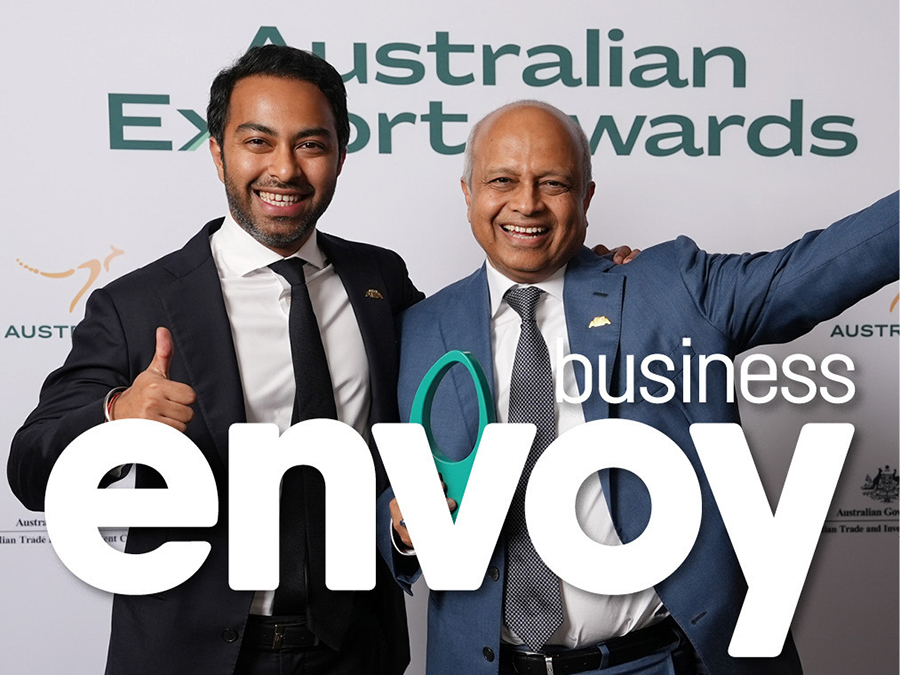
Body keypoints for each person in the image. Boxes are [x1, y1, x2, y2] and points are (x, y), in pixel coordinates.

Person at [381, 100, 899, 675]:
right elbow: (384, 492)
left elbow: (817, 269)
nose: (525, 204)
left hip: (658, 661)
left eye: (552, 183)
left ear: (587, 198)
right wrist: (401, 527)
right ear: (468, 191)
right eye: (502, 180)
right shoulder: (419, 327)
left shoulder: (670, 289)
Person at [7, 45, 424, 675]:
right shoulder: (136, 305)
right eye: (258, 141)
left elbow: (467, 347)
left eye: (311, 144)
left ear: (340, 154)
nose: (284, 169)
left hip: (354, 651)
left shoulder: (379, 278)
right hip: (190, 656)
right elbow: (31, 471)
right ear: (216, 151)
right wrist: (115, 418)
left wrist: (594, 273)